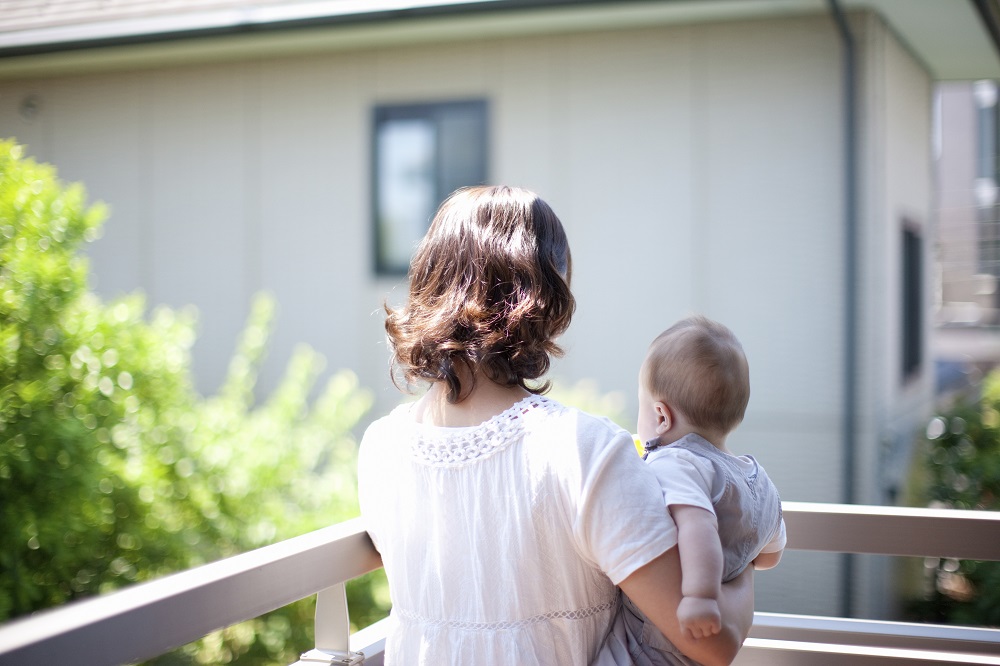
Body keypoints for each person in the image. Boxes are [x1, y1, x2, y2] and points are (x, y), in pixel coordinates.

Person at [357, 186, 754, 665]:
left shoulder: (381, 446)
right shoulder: (585, 450)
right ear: (546, 294)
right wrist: (746, 553)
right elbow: (713, 644)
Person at [600, 316, 785, 665]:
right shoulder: (762, 484)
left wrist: (700, 595)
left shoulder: (677, 463)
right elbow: (769, 557)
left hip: (649, 645)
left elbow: (698, 525)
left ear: (660, 416)